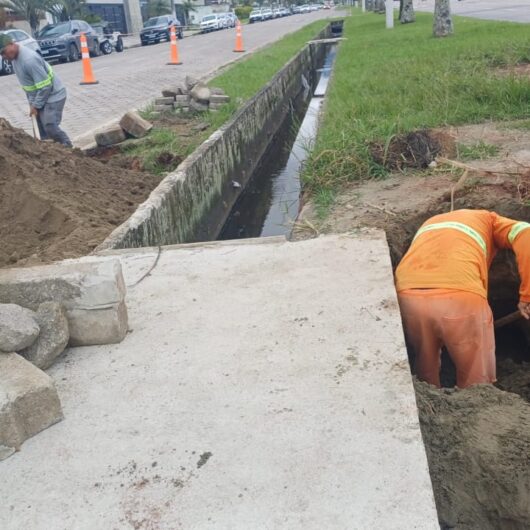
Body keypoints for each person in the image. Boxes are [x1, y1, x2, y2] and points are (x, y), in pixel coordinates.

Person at [395, 209, 530, 388]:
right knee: (476, 375)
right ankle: (475, 407)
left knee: (424, 360)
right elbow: (526, 233)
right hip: (460, 295)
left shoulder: (432, 222)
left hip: (407, 294)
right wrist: (527, 295)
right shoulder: (491, 220)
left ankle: (429, 401)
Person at [0, 33, 72, 147]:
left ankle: (67, 145)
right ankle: (49, 152)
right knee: (39, 129)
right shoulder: (14, 58)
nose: (3, 57)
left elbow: (45, 86)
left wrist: (36, 105)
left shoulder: (29, 60)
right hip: (41, 96)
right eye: (1, 54)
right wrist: (32, 104)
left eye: (4, 52)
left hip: (54, 95)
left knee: (49, 125)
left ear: (12, 44)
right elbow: (29, 86)